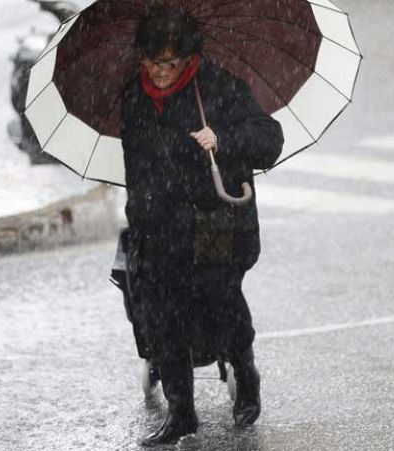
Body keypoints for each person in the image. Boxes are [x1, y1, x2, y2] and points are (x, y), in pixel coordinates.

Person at [119, 4, 284, 447]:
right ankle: (181, 414)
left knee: (222, 306)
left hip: (216, 228)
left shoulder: (218, 88)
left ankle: (244, 373)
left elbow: (270, 139)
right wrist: (139, 220)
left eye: (169, 63)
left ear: (188, 57)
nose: (159, 72)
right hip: (158, 227)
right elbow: (135, 167)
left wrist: (223, 141)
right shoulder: (131, 96)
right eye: (151, 61)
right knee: (163, 320)